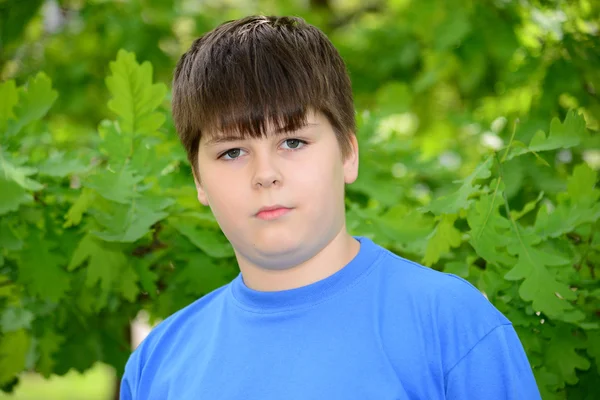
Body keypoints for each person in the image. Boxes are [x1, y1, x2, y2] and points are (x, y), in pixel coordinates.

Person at [120, 15, 541, 399]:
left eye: (293, 142)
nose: (265, 174)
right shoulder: (158, 364)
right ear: (199, 180)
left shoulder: (452, 326)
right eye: (232, 152)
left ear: (347, 155)